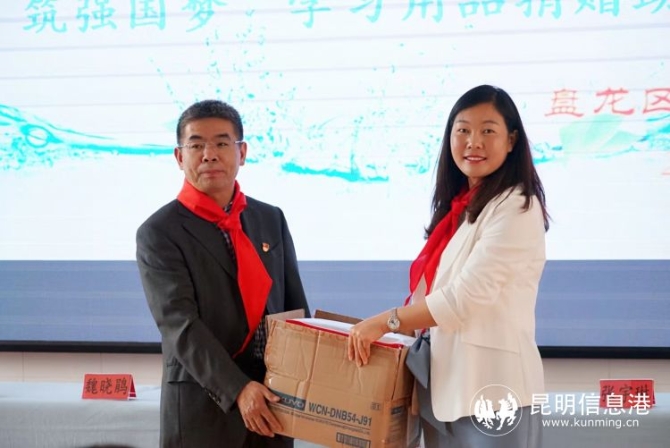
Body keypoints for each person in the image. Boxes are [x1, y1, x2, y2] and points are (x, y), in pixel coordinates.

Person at [348, 85, 549, 447]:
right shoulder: (460, 208)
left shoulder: (518, 206)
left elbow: (464, 298)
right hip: (442, 389)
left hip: (492, 391)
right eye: (463, 130)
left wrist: (385, 322)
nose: (474, 142)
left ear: (511, 140)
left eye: (488, 130)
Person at [136, 100, 310, 448]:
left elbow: (294, 309)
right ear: (179, 157)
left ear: (241, 152)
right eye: (196, 145)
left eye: (221, 143)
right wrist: (238, 389)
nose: (209, 155)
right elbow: (180, 325)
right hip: (205, 410)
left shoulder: (270, 218)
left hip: (274, 405)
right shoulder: (159, 232)